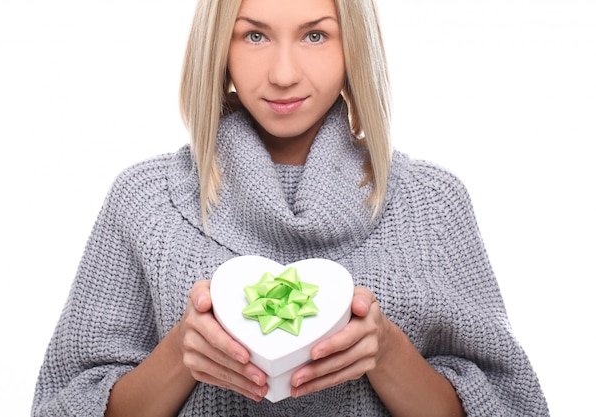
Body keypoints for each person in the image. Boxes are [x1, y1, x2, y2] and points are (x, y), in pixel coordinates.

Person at [32, 0, 549, 416]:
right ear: (220, 45)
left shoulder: (433, 203)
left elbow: (513, 405)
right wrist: (182, 354)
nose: (283, 73)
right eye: (254, 35)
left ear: (353, 46)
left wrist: (386, 353)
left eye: (315, 35)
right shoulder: (144, 199)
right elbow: (61, 404)